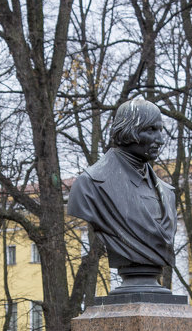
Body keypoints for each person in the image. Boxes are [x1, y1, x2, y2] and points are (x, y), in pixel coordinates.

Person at [66, 97, 176, 292]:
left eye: (160, 130)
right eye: (151, 130)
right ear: (127, 131)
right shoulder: (91, 186)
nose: (159, 140)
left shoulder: (168, 193)